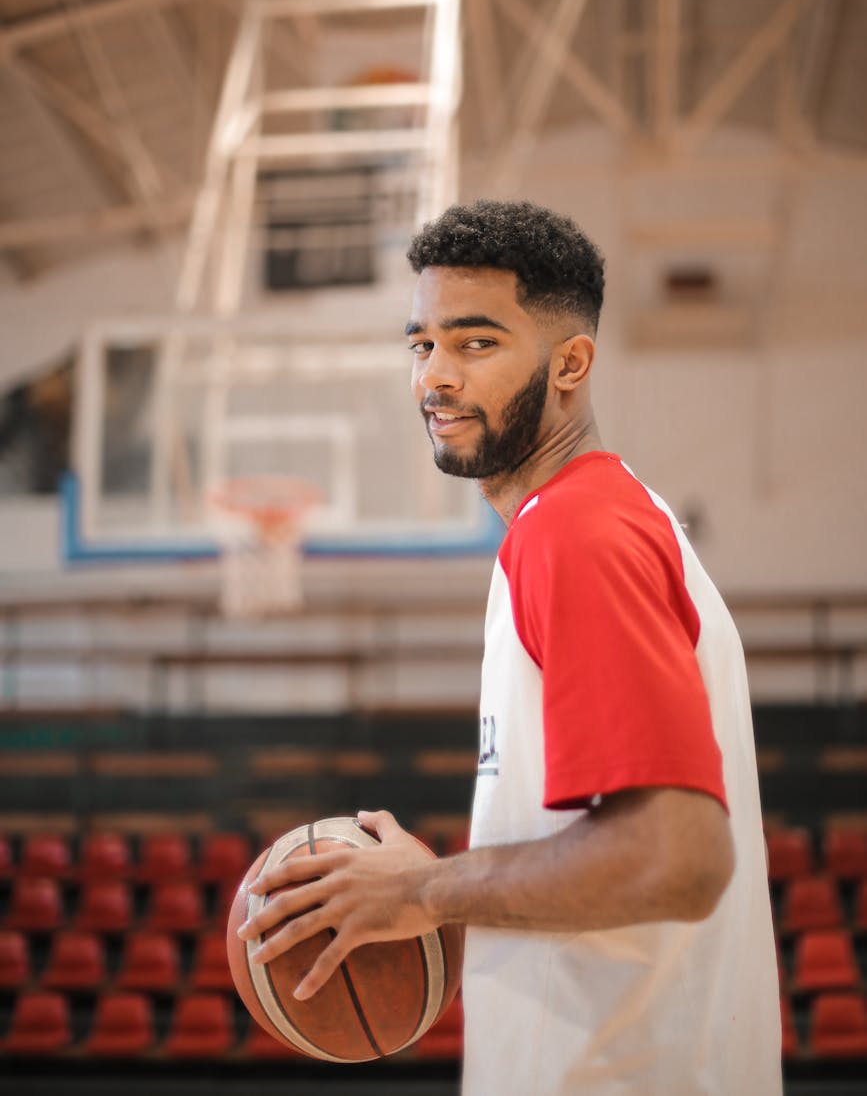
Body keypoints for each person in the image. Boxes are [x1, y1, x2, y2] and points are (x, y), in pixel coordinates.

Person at [238, 200, 782, 1094]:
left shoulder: (574, 532)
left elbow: (677, 858)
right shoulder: (599, 522)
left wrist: (419, 894)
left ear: (570, 362)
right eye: (421, 345)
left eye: (476, 343)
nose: (435, 378)